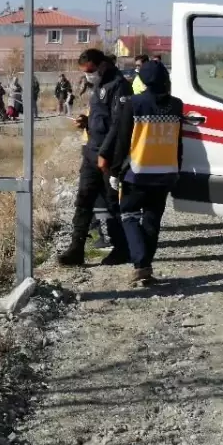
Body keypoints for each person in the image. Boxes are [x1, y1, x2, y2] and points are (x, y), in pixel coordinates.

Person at [104, 60, 184, 286]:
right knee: (152, 220)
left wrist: (115, 170)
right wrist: (178, 167)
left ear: (144, 80)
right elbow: (178, 142)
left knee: (128, 214)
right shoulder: (177, 106)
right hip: (166, 172)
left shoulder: (134, 104)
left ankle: (140, 264)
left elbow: (122, 141)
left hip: (138, 172)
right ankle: (145, 267)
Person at [58, 48, 132, 266]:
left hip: (108, 157)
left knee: (112, 204)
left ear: (102, 65)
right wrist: (86, 121)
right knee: (83, 200)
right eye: (85, 72)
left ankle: (122, 248)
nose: (88, 76)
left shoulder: (120, 86)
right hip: (91, 153)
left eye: (90, 71)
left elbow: (119, 126)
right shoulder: (98, 85)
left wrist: (106, 155)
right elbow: (101, 119)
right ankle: (76, 249)